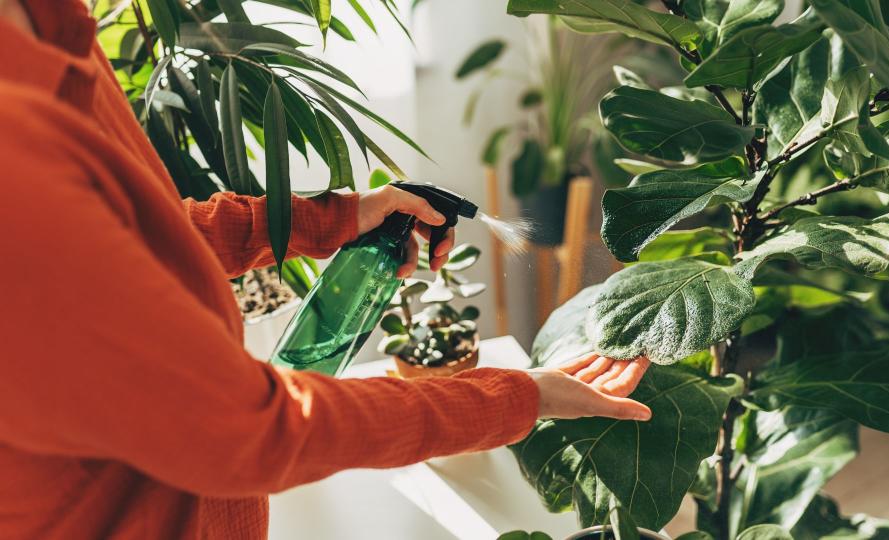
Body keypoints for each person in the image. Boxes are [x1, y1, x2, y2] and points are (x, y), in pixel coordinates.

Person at [0, 1, 652, 538]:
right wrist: (517, 395)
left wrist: (335, 219)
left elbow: (140, 239)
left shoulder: (56, 31)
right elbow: (254, 430)